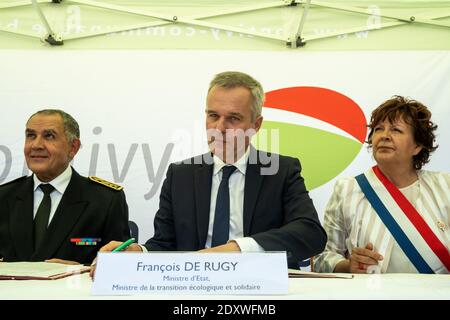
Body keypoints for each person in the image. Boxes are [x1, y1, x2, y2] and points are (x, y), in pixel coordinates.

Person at [99, 71, 327, 269]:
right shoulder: (181, 175)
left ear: (256, 125)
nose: (220, 128)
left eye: (234, 118)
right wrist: (138, 253)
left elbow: (309, 233)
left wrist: (237, 249)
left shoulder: (280, 171)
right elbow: (164, 244)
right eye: (213, 116)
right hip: (194, 288)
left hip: (261, 287)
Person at [314, 96, 450, 274]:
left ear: (417, 146)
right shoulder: (348, 189)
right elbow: (322, 257)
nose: (385, 136)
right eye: (379, 129)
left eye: (396, 130)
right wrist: (348, 265)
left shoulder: (445, 186)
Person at [0, 109, 130, 264]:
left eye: (49, 136)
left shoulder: (105, 200)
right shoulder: (4, 197)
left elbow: (120, 265)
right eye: (31, 136)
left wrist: (80, 270)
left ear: (73, 147)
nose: (36, 145)